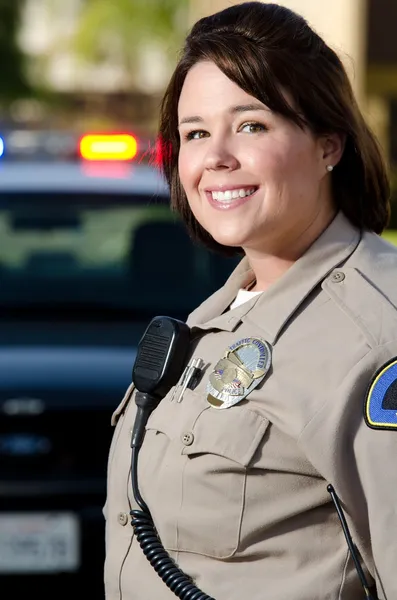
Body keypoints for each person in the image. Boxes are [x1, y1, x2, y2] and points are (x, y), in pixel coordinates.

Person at [103, 3, 397, 599]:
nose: (216, 157)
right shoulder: (220, 315)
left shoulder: (376, 331)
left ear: (328, 145)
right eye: (195, 133)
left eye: (251, 125)